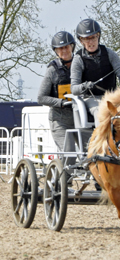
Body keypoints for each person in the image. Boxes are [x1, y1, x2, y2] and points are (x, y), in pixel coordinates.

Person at [70, 18, 120, 127]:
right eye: (86, 39)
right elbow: (74, 88)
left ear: (98, 36)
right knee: (101, 114)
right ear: (81, 41)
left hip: (112, 96)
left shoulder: (110, 53)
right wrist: (85, 86)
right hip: (91, 99)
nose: (90, 42)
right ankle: (102, 143)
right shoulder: (78, 59)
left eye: (93, 37)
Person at [37, 31, 76, 166]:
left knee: (94, 149)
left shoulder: (81, 64)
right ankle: (66, 182)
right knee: (70, 152)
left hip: (80, 119)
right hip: (60, 120)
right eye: (60, 48)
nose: (64, 50)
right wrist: (61, 103)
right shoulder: (52, 70)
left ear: (72, 47)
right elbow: (41, 98)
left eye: (66, 47)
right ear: (56, 51)